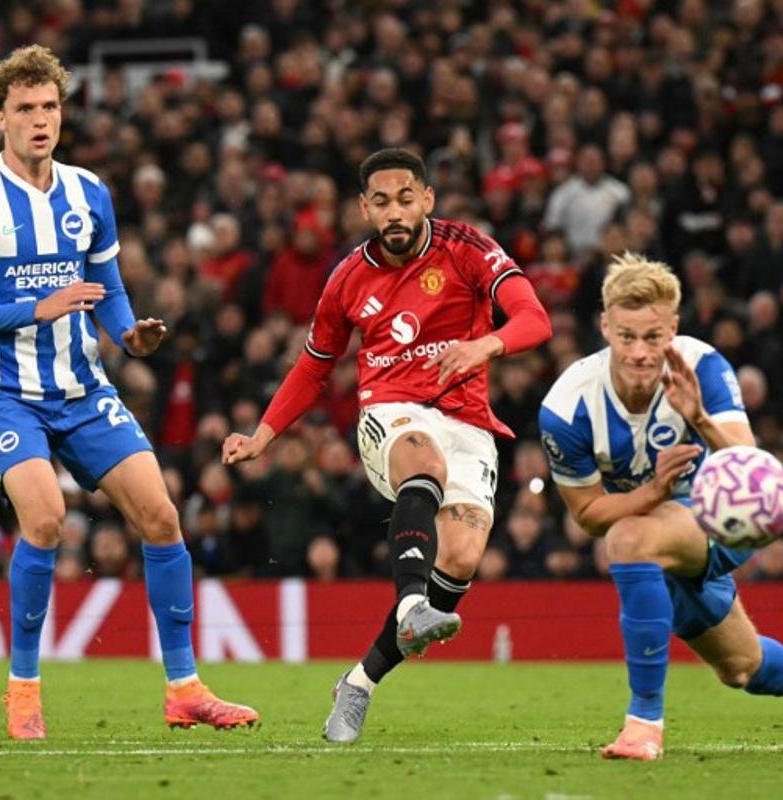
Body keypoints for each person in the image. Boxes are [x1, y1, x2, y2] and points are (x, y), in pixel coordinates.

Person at [0, 45, 257, 740]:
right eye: (25, 109)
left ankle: (184, 689)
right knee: (45, 519)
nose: (41, 119)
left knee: (162, 518)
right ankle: (22, 691)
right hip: (7, 390)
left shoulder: (89, 193)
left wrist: (130, 335)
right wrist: (37, 308)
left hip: (82, 387)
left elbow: (108, 291)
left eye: (50, 106)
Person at [222, 147, 551, 742]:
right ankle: (408, 608)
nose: (394, 211)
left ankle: (359, 683)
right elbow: (314, 366)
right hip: (392, 413)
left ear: (426, 198)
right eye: (381, 202)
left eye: (406, 198)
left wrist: (486, 346)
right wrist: (263, 435)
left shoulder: (468, 249)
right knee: (423, 462)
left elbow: (535, 318)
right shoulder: (347, 277)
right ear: (363, 209)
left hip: (469, 420)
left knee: (459, 560)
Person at [538, 253, 783, 761]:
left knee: (629, 539)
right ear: (605, 326)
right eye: (627, 336)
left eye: (653, 337)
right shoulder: (568, 406)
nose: (640, 352)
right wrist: (651, 494)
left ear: (672, 329)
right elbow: (587, 514)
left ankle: (643, 725)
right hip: (658, 527)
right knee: (741, 668)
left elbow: (753, 472)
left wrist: (698, 416)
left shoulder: (702, 366)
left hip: (720, 521)